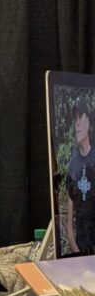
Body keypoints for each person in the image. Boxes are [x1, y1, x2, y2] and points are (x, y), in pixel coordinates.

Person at [65, 97, 95, 255]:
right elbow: (70, 226)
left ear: (88, 120)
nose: (76, 123)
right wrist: (78, 254)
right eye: (74, 118)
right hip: (80, 254)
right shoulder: (73, 165)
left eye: (80, 116)